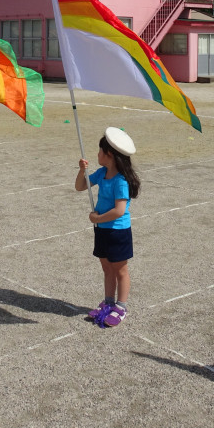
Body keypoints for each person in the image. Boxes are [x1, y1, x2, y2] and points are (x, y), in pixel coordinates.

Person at [75, 127, 140, 328]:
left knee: (120, 269)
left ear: (109, 154)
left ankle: (121, 307)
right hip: (102, 229)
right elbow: (80, 186)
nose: (97, 155)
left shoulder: (121, 181)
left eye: (100, 151)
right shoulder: (102, 173)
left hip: (117, 231)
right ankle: (108, 302)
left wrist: (98, 218)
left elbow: (120, 210)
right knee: (106, 268)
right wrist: (82, 171)